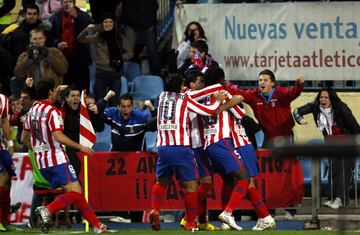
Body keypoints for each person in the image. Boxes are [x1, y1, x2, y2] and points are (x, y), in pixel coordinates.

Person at [21, 80, 106, 234]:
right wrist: (80, 147)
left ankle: (97, 226)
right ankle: (48, 209)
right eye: (54, 90)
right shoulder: (52, 111)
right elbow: (58, 136)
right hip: (57, 159)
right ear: (49, 92)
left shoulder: (32, 110)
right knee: (75, 194)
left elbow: (23, 138)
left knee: (76, 193)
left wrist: (39, 150)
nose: (55, 93)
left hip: (42, 163)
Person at [198, 67, 275, 230]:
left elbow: (240, 107)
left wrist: (222, 107)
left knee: (243, 181)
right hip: (235, 143)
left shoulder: (205, 98)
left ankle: (261, 216)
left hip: (233, 143)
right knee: (241, 181)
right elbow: (240, 107)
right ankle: (258, 216)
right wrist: (225, 104)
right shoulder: (223, 96)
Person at [149, 73, 226, 231]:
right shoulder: (185, 100)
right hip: (181, 146)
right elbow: (209, 110)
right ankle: (190, 222)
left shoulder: (161, 97)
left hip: (163, 147)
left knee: (160, 182)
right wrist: (217, 100)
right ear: (180, 87)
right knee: (190, 187)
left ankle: (154, 210)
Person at [225, 69, 305, 219]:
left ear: (273, 83)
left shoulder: (281, 93)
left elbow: (293, 93)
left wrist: (299, 85)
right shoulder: (254, 96)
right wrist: (224, 84)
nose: (261, 82)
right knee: (270, 175)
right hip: (269, 139)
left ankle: (290, 209)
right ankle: (270, 210)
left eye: (265, 80)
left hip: (286, 138)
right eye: (260, 80)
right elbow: (239, 92)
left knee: (287, 174)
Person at [293, 87, 360, 209]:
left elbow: (355, 127)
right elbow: (297, 111)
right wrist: (300, 119)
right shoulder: (315, 107)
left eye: (326, 97)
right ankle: (332, 198)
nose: (323, 99)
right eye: (321, 97)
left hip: (346, 143)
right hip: (331, 144)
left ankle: (340, 199)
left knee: (343, 171)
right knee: (333, 172)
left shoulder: (341, 108)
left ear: (331, 99)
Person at [179, 70, 218, 231]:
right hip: (193, 145)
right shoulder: (188, 95)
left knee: (205, 183)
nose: (203, 85)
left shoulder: (194, 96)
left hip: (200, 144)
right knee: (205, 183)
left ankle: (201, 220)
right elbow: (209, 110)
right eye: (200, 82)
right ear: (192, 85)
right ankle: (188, 217)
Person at [77, 12, 133, 105]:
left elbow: (130, 53)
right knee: (100, 104)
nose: (108, 24)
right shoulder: (98, 37)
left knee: (114, 104)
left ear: (114, 24)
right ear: (102, 24)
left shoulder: (119, 38)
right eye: (106, 22)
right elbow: (80, 39)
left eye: (110, 22)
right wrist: (86, 30)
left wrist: (120, 57)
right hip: (101, 76)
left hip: (115, 76)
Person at [60, 84, 104, 177]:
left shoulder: (85, 111)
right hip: (65, 151)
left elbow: (100, 128)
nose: (76, 98)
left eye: (77, 96)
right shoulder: (59, 111)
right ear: (66, 98)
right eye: (72, 96)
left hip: (82, 152)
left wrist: (96, 114)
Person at [49, 0, 92, 91]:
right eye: (65, 2)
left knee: (82, 90)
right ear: (61, 3)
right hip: (62, 59)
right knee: (65, 90)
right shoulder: (54, 17)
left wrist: (76, 17)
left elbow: (89, 29)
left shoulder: (83, 15)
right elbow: (50, 37)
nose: (67, 4)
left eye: (70, 2)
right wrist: (58, 43)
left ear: (74, 3)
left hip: (80, 59)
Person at [117, 0, 160, 75]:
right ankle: (157, 77)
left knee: (151, 52)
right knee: (130, 53)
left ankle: (123, 77)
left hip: (138, 22)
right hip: (137, 23)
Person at [0, 93, 20, 232]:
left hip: (1, 147)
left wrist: (10, 144)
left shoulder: (3, 99)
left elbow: (5, 121)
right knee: (2, 179)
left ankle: (5, 221)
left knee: (7, 182)